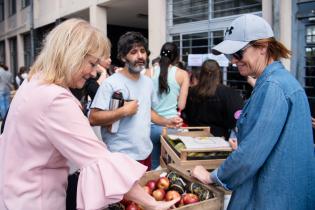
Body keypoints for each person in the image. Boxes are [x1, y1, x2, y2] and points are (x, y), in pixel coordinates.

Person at [0, 19, 179, 210]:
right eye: (93, 63)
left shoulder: (35, 82)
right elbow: (98, 160)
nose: (94, 73)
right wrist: (151, 203)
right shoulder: (56, 100)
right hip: (36, 199)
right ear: (73, 56)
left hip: (15, 193)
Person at [191, 14, 315, 210]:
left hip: (270, 197)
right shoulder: (278, 83)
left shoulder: (273, 87)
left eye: (238, 53)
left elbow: (251, 153)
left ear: (263, 47)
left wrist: (212, 176)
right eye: (230, 55)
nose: (233, 61)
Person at [89, 32, 182, 171]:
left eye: (143, 51)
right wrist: (124, 111)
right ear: (122, 57)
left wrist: (167, 122)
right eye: (133, 52)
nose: (140, 56)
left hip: (145, 153)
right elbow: (93, 118)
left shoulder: (148, 82)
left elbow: (147, 111)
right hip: (120, 156)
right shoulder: (110, 83)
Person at [148, 42, 190, 169]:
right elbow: (182, 105)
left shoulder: (149, 73)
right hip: (171, 128)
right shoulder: (182, 74)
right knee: (172, 167)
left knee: (154, 166)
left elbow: (145, 102)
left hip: (151, 127)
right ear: (176, 57)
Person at [182, 59, 244, 140]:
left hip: (195, 137)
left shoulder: (191, 92)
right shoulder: (228, 93)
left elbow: (185, 115)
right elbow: (236, 118)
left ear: (201, 74)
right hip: (220, 139)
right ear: (219, 73)